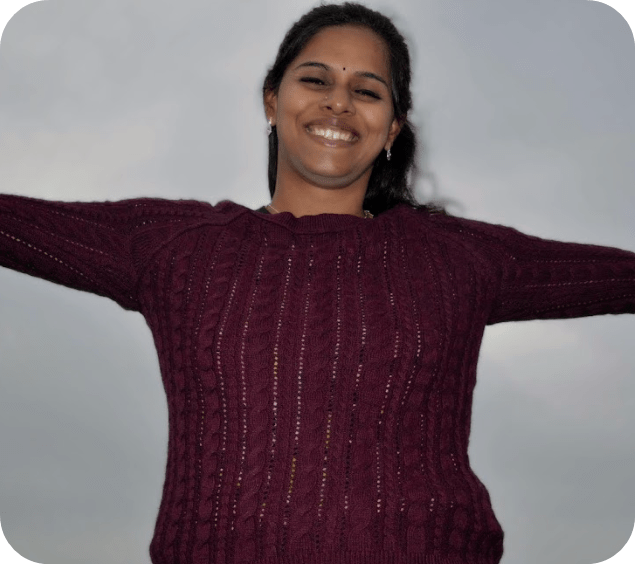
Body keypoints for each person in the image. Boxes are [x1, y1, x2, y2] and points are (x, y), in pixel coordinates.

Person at [0, 3, 633, 564]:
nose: (339, 102)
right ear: (271, 101)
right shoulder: (178, 247)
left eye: (367, 90)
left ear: (392, 128)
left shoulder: (457, 256)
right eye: (316, 80)